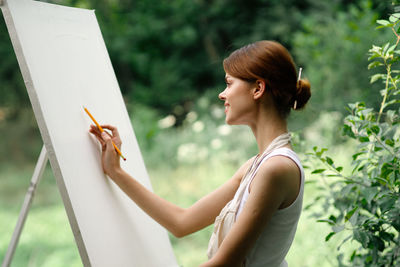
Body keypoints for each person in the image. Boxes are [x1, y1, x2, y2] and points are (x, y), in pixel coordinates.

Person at [89, 40, 311, 267]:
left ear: (258, 89)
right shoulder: (256, 165)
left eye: (228, 83)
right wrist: (115, 171)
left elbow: (225, 263)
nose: (222, 95)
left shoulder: (276, 168)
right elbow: (181, 222)